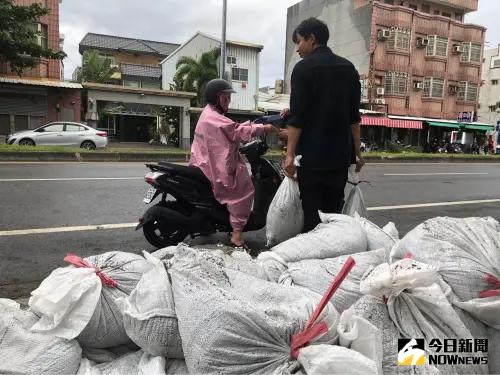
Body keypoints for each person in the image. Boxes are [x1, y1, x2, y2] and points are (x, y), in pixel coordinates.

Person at [280, 17, 365, 233]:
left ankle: (313, 260)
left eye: (299, 42)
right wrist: (358, 153)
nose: (297, 49)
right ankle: (333, 258)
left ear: (312, 39)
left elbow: (297, 118)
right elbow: (354, 118)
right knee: (334, 216)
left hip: (311, 159)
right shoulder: (349, 69)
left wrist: (289, 156)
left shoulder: (303, 69)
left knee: (312, 217)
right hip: (339, 159)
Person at [189, 79, 277, 248]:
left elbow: (231, 128)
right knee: (244, 190)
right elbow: (235, 131)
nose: (228, 101)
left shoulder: (209, 114)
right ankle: (236, 235)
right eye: (225, 98)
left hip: (203, 162)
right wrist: (262, 129)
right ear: (216, 98)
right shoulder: (213, 118)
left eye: (229, 97)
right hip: (212, 166)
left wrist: (254, 124)